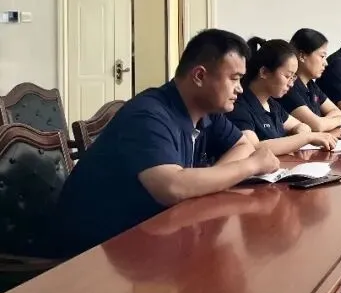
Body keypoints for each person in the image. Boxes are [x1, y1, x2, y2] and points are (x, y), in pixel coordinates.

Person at [52, 29, 280, 258]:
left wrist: (208, 181)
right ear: (199, 76)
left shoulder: (207, 110)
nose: (240, 88)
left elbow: (242, 146)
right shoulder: (149, 114)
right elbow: (172, 187)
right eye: (234, 78)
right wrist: (251, 166)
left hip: (146, 237)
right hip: (90, 253)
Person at [226, 37, 338, 155]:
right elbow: (254, 148)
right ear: (264, 72)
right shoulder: (238, 106)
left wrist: (300, 130)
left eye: (293, 77)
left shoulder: (272, 104)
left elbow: (301, 125)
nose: (291, 84)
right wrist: (306, 138)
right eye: (287, 76)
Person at [279, 28, 341, 131]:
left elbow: (336, 111)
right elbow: (318, 126)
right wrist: (338, 121)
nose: (326, 63)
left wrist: (323, 121)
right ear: (302, 56)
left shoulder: (311, 84)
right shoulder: (289, 87)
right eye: (322, 56)